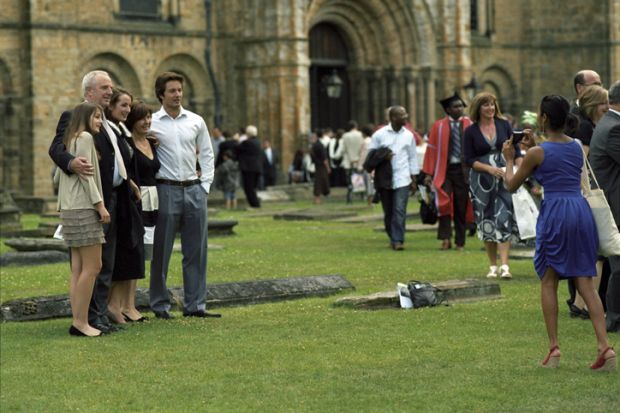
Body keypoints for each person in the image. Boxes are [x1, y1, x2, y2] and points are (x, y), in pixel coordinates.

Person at [502, 95, 616, 371]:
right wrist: (535, 146)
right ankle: (605, 348)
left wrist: (509, 159)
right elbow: (559, 159)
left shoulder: (536, 153)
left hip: (556, 212)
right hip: (580, 210)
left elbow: (511, 185)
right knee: (586, 282)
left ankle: (554, 349)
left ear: (543, 118)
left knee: (549, 279)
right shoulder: (577, 146)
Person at [49, 70, 129, 334]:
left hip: (113, 197)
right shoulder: (76, 118)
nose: (110, 91)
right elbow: (56, 149)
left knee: (102, 263)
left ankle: (96, 316)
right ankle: (88, 319)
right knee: (91, 265)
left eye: (111, 87)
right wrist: (71, 163)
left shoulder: (108, 121)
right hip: (91, 202)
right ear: (89, 91)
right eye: (105, 87)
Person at [149, 71, 220, 319]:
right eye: (172, 91)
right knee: (161, 250)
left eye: (180, 90)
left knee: (197, 251)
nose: (178, 94)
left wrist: (205, 186)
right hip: (165, 188)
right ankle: (159, 305)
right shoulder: (151, 123)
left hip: (193, 189)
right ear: (161, 95)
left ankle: (195, 305)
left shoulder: (196, 120)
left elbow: (207, 154)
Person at [56, 103, 110, 337]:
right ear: (85, 118)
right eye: (97, 117)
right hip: (84, 207)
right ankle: (81, 323)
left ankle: (78, 320)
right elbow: (87, 178)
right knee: (93, 266)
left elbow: (59, 175)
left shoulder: (70, 139)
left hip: (69, 208)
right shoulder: (85, 137)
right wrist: (100, 206)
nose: (100, 121)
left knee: (78, 269)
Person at [463, 92, 522, 279]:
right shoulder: (470, 131)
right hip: (481, 181)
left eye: (493, 104)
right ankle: (492, 265)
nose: (490, 108)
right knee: (485, 219)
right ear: (478, 108)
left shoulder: (504, 125)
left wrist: (521, 171)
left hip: (505, 176)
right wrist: (489, 169)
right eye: (486, 105)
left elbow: (517, 150)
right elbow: (468, 159)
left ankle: (505, 265)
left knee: (504, 216)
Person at [101, 88, 145, 325]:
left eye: (129, 106)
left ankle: (118, 305)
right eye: (123, 105)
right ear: (111, 107)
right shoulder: (111, 131)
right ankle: (111, 306)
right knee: (115, 255)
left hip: (127, 200)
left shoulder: (122, 131)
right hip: (116, 199)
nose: (127, 110)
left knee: (127, 251)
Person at [567, 85, 609, 319]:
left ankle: (580, 302)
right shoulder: (585, 128)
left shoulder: (593, 125)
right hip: (588, 193)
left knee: (592, 251)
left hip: (589, 192)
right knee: (596, 253)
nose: (607, 107)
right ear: (594, 104)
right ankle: (585, 303)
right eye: (603, 103)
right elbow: (581, 160)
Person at [122, 100, 159, 322]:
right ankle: (125, 305)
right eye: (142, 118)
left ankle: (130, 303)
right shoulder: (127, 144)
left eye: (149, 117)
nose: (147, 121)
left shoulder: (152, 143)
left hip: (154, 203)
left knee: (144, 255)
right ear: (132, 120)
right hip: (138, 201)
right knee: (134, 253)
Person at [422, 92, 473, 250]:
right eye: (456, 106)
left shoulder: (470, 125)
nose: (460, 109)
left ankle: (460, 241)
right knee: (443, 204)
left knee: (460, 205)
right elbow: (431, 150)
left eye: (461, 106)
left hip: (463, 171)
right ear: (448, 109)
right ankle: (445, 238)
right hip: (443, 171)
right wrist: (428, 174)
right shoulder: (439, 126)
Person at [590, 80, 620, 333]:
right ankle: (615, 317)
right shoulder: (613, 128)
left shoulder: (608, 123)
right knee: (619, 266)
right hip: (616, 204)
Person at [368, 106, 419, 251]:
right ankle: (392, 236)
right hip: (385, 178)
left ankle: (398, 240)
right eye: (401, 115)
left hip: (403, 178)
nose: (405, 117)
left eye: (405, 114)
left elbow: (412, 157)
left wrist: (414, 178)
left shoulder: (409, 135)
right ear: (392, 118)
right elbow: (370, 157)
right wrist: (383, 156)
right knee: (389, 211)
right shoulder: (379, 135)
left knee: (399, 209)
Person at [237, 124, 263, 208]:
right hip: (257, 168)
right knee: (253, 188)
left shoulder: (247, 142)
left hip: (248, 168)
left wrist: (236, 139)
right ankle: (255, 204)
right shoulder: (258, 142)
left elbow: (237, 148)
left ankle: (255, 204)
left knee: (248, 188)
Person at [341, 120, 365, 203]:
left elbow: (343, 149)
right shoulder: (360, 135)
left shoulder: (345, 135)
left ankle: (350, 197)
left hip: (348, 160)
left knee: (349, 181)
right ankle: (361, 196)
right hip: (359, 160)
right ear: (356, 126)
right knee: (359, 178)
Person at [310, 132, 330, 204]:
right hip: (321, 165)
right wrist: (328, 167)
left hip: (317, 165)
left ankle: (317, 198)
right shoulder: (320, 145)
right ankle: (317, 198)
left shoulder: (314, 146)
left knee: (319, 181)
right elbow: (324, 158)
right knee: (320, 181)